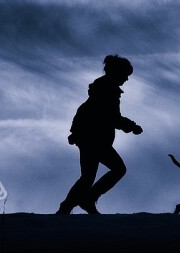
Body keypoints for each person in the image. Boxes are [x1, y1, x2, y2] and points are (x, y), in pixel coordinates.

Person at [56, 55, 143, 214]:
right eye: (125, 75)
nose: (126, 79)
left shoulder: (104, 90)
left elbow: (85, 111)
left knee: (88, 177)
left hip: (91, 139)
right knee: (117, 169)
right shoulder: (106, 91)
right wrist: (131, 126)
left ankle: (68, 206)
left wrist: (75, 132)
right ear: (117, 72)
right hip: (94, 140)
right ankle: (86, 199)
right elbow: (109, 116)